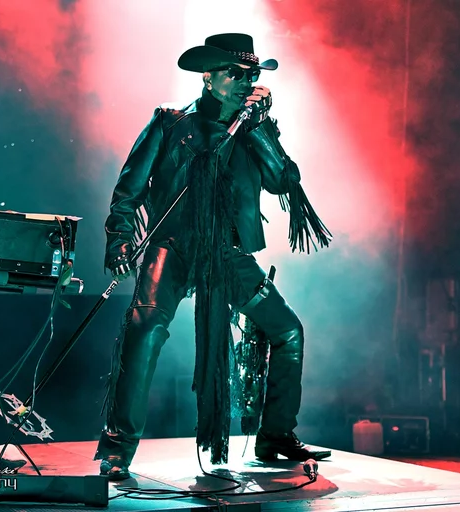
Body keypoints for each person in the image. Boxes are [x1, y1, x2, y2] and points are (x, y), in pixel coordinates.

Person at [94, 33, 333, 481]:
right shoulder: (169, 121)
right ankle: (116, 449)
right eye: (235, 74)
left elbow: (284, 181)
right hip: (173, 247)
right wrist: (119, 238)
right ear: (208, 77)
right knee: (144, 331)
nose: (246, 82)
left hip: (227, 252)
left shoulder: (255, 128)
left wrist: (260, 127)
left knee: (288, 331)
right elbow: (129, 188)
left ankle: (275, 436)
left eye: (252, 75)